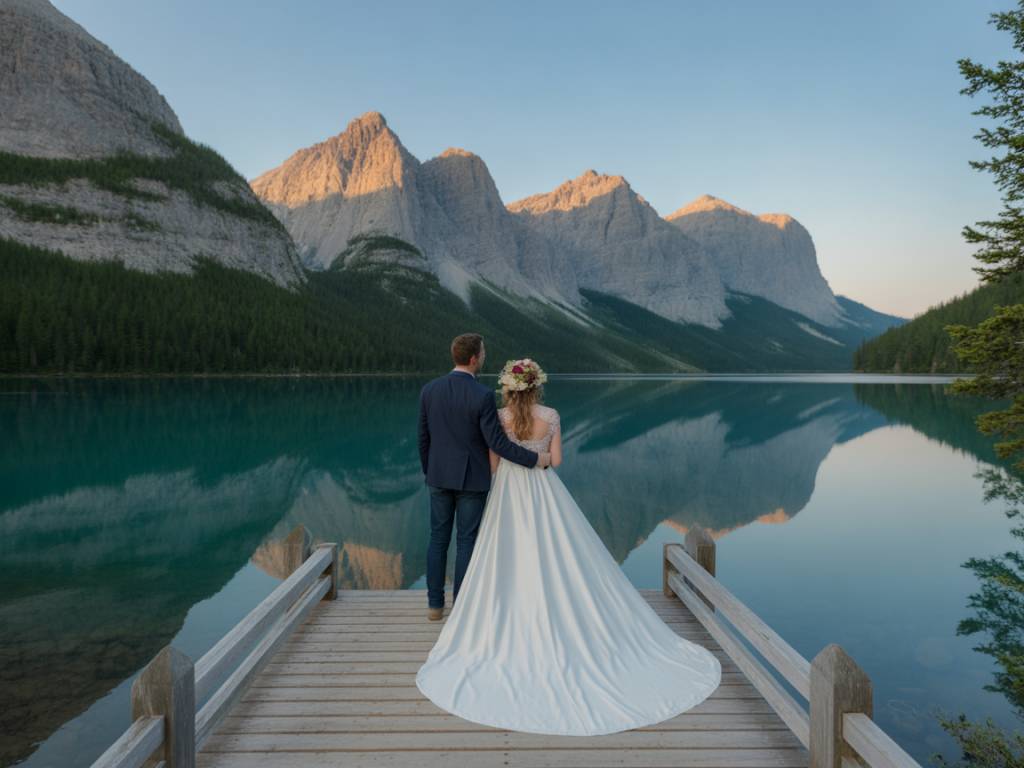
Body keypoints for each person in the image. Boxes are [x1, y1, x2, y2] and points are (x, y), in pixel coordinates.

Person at [415, 356, 722, 736]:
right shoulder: (553, 415)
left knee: (493, 550)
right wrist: (538, 459)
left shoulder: (499, 416)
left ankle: (458, 605)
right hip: (543, 491)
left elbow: (493, 463)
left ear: (509, 388)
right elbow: (555, 461)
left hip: (508, 493)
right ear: (537, 385)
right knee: (554, 548)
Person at [417, 333, 552, 621]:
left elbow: (423, 438)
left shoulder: (429, 390)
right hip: (471, 479)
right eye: (484, 352)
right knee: (466, 541)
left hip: (438, 477)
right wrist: (535, 459)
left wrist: (431, 471)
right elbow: (498, 444)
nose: (485, 356)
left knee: (437, 539)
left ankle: (434, 605)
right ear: (474, 358)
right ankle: (462, 606)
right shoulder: (481, 395)